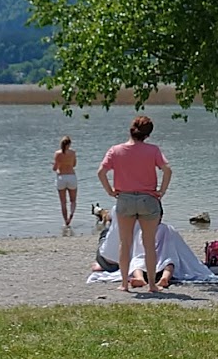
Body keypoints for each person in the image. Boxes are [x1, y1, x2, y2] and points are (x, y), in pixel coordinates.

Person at [97, 115, 172, 293]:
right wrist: (162, 191)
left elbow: (101, 172)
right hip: (148, 199)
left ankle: (124, 284)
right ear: (148, 134)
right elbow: (167, 170)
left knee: (125, 242)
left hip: (125, 199)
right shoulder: (153, 150)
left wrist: (109, 190)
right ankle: (152, 285)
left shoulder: (115, 150)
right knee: (148, 244)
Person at [52, 136, 79, 227]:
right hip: (71, 176)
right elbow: (74, 165)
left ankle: (65, 221)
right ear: (69, 144)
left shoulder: (57, 153)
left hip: (61, 178)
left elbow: (55, 168)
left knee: (63, 202)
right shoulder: (73, 153)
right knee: (73, 200)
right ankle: (71, 216)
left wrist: (55, 165)